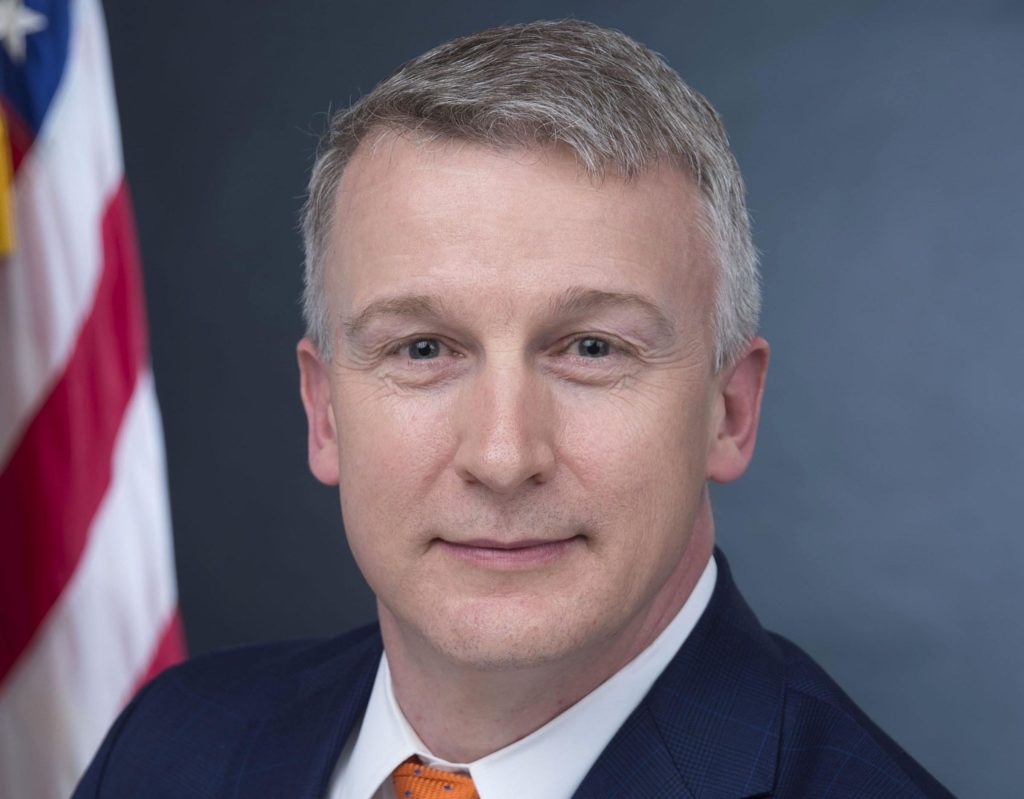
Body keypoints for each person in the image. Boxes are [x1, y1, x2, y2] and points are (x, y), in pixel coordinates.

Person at [75, 19, 953, 798]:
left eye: (591, 349)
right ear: (326, 412)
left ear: (729, 409)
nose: (503, 455)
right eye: (423, 349)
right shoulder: (168, 747)